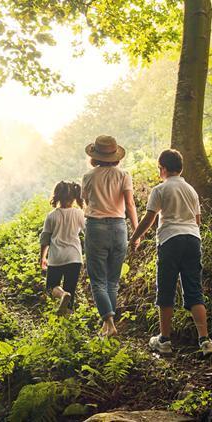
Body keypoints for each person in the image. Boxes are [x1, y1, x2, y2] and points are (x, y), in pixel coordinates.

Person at [129, 149, 212, 355]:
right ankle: (205, 341)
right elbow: (197, 221)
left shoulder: (160, 189)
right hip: (193, 240)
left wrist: (135, 237)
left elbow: (149, 218)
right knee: (194, 290)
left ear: (164, 168)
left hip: (170, 240)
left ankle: (165, 340)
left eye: (159, 168)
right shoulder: (191, 190)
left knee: (166, 289)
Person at [82, 135, 138, 336]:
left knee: (98, 280)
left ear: (95, 156)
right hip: (119, 227)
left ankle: (109, 323)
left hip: (96, 228)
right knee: (112, 281)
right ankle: (107, 325)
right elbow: (130, 204)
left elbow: (86, 201)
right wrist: (136, 232)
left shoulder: (88, 176)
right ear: (115, 156)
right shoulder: (124, 175)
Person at [39, 181, 85, 315]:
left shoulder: (52, 215)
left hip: (56, 257)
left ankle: (62, 295)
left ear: (57, 196)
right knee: (71, 288)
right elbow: (88, 232)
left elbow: (45, 239)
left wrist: (42, 257)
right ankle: (67, 318)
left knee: (51, 287)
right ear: (74, 197)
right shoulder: (79, 214)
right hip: (74, 257)